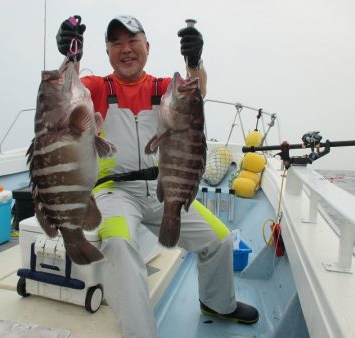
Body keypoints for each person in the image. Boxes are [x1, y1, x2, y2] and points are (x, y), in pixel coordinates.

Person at [56, 15, 259, 338]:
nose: (126, 49)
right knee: (120, 245)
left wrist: (195, 60)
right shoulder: (96, 87)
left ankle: (217, 303)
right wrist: (71, 57)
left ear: (147, 47)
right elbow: (67, 92)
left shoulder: (163, 88)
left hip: (163, 186)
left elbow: (198, 89)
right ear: (107, 51)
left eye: (133, 41)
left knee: (220, 239)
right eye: (116, 43)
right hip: (113, 192)